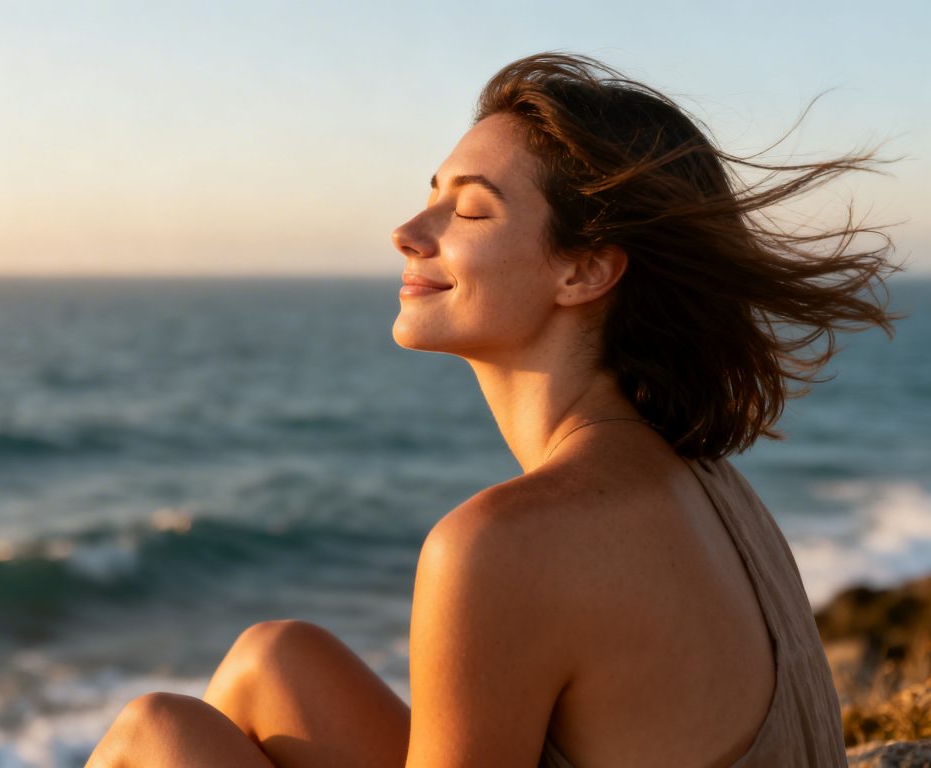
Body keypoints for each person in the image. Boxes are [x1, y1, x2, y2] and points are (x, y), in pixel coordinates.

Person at [85, 53, 895, 767]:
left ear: (584, 271)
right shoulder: (706, 478)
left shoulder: (503, 545)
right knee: (275, 660)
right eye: (431, 197)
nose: (408, 232)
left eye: (469, 211)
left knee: (155, 732)